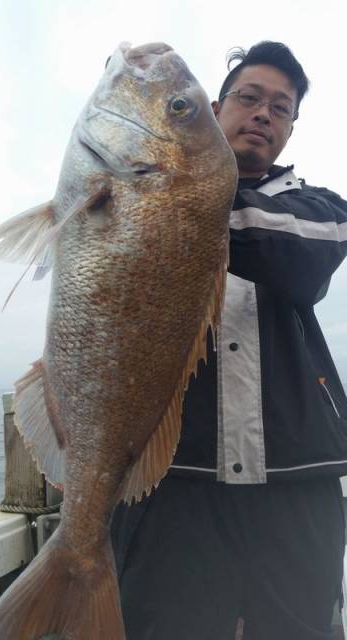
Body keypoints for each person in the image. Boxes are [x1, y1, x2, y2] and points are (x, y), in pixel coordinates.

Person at [111, 41, 347, 639]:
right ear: (215, 110)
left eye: (282, 108)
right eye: (249, 97)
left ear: (291, 130)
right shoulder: (134, 197)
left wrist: (170, 181)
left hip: (297, 485)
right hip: (170, 485)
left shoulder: (319, 209)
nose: (264, 113)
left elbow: (303, 260)